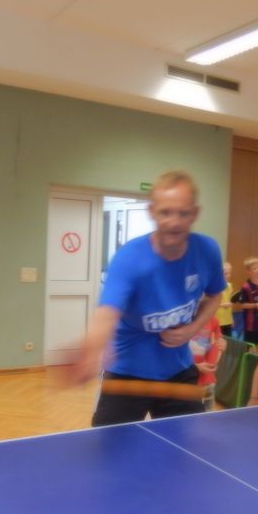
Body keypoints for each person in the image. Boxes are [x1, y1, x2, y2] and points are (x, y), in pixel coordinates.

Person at [71, 170, 226, 426]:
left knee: (187, 449)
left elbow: (216, 294)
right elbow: (107, 312)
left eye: (183, 213)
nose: (174, 222)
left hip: (179, 373)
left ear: (195, 213)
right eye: (166, 212)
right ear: (152, 211)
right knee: (107, 450)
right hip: (127, 376)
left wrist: (192, 329)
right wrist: (91, 350)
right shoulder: (129, 258)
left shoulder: (207, 250)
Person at [189, 315, 226, 411]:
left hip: (207, 381)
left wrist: (221, 347)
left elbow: (219, 344)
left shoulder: (213, 321)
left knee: (208, 411)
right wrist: (196, 367)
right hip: (188, 380)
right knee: (190, 412)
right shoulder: (183, 319)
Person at [236, 256, 258, 354]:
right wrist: (255, 305)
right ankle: (250, 361)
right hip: (250, 323)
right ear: (249, 272)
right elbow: (242, 305)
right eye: (255, 268)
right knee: (250, 346)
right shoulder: (245, 287)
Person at [216, 262, 235, 337]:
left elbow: (230, 303)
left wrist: (232, 318)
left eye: (229, 273)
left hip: (228, 321)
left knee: (227, 341)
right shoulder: (215, 287)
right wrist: (223, 305)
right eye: (225, 273)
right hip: (217, 321)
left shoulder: (230, 286)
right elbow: (210, 305)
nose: (228, 276)